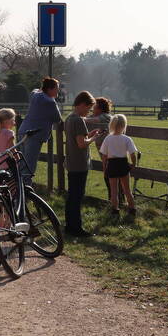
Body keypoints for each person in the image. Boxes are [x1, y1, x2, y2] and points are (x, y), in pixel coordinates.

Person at [63, 91, 101, 237]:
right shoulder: (78, 120)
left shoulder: (69, 118)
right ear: (82, 104)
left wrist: (89, 134)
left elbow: (76, 139)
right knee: (77, 196)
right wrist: (94, 138)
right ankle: (76, 228)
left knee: (71, 195)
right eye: (89, 108)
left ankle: (69, 226)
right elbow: (81, 144)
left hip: (71, 162)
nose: (89, 111)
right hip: (79, 163)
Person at [16, 77, 63, 185]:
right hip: (34, 135)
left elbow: (34, 90)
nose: (58, 91)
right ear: (50, 89)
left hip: (23, 131)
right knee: (29, 166)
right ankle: (25, 193)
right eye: (56, 88)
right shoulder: (50, 102)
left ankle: (15, 192)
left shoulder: (35, 95)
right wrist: (53, 100)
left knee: (21, 163)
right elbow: (58, 119)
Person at [100, 113, 137, 217]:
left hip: (112, 165)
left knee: (114, 191)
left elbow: (104, 155)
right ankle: (132, 209)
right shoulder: (127, 139)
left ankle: (115, 210)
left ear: (111, 125)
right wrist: (134, 164)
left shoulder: (108, 139)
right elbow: (132, 154)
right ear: (124, 125)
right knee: (127, 190)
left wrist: (104, 167)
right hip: (123, 164)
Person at [87, 96, 116, 201]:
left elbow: (89, 120)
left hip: (110, 152)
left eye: (94, 107)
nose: (92, 109)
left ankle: (115, 199)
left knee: (111, 173)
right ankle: (113, 198)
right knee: (108, 173)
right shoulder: (100, 116)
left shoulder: (106, 116)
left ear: (100, 109)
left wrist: (77, 118)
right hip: (104, 151)